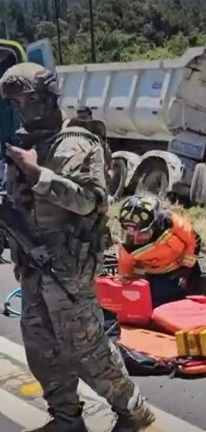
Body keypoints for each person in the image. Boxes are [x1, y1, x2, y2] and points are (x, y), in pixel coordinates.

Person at [0, 63, 154, 431]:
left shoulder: (79, 142)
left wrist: (39, 175)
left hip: (69, 266)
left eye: (29, 99)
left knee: (87, 348)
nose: (23, 108)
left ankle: (134, 413)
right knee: (41, 349)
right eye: (15, 102)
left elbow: (91, 200)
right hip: (33, 264)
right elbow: (15, 205)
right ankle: (67, 419)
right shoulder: (23, 143)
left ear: (49, 97)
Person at [116, 194, 206, 308]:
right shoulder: (127, 246)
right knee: (158, 302)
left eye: (142, 234)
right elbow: (126, 272)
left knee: (202, 288)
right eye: (129, 234)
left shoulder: (172, 223)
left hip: (182, 268)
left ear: (154, 225)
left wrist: (185, 271)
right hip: (156, 275)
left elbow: (193, 241)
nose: (135, 239)